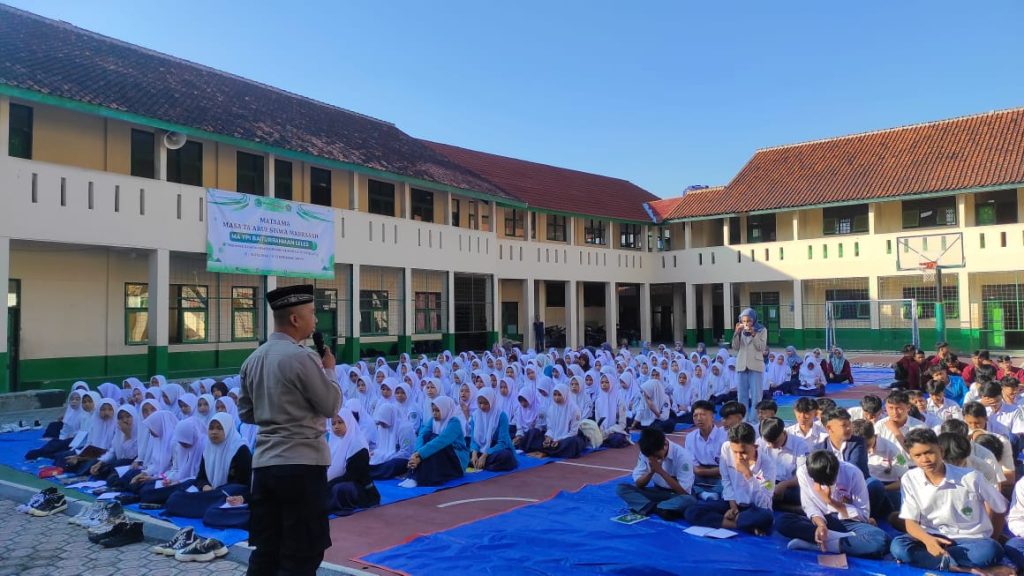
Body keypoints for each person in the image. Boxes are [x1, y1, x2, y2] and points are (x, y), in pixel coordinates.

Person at [237, 284, 342, 576]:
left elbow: (246, 413)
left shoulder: (252, 360)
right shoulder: (302, 358)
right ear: (295, 319)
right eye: (311, 313)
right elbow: (330, 405)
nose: (316, 320)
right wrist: (330, 370)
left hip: (265, 467)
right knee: (301, 553)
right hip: (301, 467)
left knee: (267, 549)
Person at [890, 428, 1008, 573]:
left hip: (970, 540)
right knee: (898, 546)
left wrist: (994, 538)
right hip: (933, 536)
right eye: (918, 455)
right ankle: (962, 568)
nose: (925, 459)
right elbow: (910, 522)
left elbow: (1000, 508)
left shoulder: (971, 477)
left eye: (929, 452)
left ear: (941, 451)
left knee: (990, 550)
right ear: (911, 457)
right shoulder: (910, 478)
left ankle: (940, 562)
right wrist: (928, 541)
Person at [777, 450, 889, 558]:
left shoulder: (853, 473)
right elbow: (809, 506)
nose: (828, 486)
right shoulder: (804, 472)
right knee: (782, 521)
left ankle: (819, 545)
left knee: (880, 540)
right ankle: (839, 538)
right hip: (822, 520)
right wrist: (821, 525)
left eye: (831, 481)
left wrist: (831, 501)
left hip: (848, 522)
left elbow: (863, 515)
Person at [683, 422, 775, 536]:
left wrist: (748, 474)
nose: (738, 457)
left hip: (754, 508)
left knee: (766, 517)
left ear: (755, 446)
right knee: (691, 511)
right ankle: (739, 525)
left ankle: (737, 521)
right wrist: (733, 507)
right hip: (732, 503)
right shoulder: (726, 448)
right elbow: (726, 480)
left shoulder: (768, 466)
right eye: (735, 452)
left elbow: (764, 503)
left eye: (743, 452)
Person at [163, 413, 252, 522]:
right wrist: (205, 486)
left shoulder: (240, 449)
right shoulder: (208, 448)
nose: (214, 432)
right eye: (211, 428)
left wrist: (238, 497)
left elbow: (246, 484)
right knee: (175, 498)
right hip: (210, 493)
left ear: (228, 429)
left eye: (219, 428)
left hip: (228, 494)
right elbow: (200, 477)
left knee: (213, 514)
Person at [616, 427, 696, 520]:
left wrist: (661, 471)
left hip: (675, 495)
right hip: (657, 491)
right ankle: (660, 509)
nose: (654, 458)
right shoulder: (647, 452)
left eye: (657, 455)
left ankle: (647, 507)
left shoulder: (682, 456)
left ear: (665, 444)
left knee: (689, 500)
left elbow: (684, 492)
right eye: (650, 456)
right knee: (621, 488)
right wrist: (651, 472)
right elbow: (638, 483)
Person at [324, 407, 380, 517]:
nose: (336, 426)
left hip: (361, 489)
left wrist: (329, 484)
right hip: (338, 481)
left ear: (349, 422)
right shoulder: (333, 441)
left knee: (340, 489)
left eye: (340, 422)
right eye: (333, 423)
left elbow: (352, 476)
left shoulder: (358, 445)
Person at [405, 397, 469, 488]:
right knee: (427, 438)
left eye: (438, 410)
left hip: (457, 459)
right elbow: (421, 435)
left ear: (445, 409)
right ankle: (416, 474)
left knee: (437, 443)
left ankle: (421, 476)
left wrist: (420, 455)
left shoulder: (454, 422)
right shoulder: (433, 420)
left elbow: (441, 441)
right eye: (433, 410)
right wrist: (416, 454)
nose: (435, 413)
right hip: (439, 453)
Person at [758, 417, 808, 508]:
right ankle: (784, 506)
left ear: (784, 433)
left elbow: (802, 475)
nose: (770, 446)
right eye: (768, 442)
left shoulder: (800, 444)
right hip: (767, 483)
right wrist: (771, 487)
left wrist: (784, 485)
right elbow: (756, 471)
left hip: (790, 485)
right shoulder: (760, 442)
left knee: (805, 495)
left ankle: (772, 504)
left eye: (775, 442)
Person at [685, 400, 727, 499]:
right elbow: (694, 467)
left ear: (712, 416)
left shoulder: (725, 436)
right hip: (699, 475)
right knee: (682, 478)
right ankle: (706, 495)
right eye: (695, 415)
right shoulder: (690, 437)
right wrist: (699, 472)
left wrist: (701, 471)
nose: (699, 419)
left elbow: (726, 468)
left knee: (732, 481)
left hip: (721, 476)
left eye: (703, 414)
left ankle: (704, 494)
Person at [731, 308, 767, 424]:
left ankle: (754, 420)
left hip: (755, 365)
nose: (746, 323)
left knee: (756, 395)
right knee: (742, 395)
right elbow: (735, 347)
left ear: (754, 320)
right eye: (744, 321)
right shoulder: (740, 331)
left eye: (749, 321)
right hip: (742, 365)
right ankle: (743, 420)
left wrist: (753, 334)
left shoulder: (761, 330)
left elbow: (761, 347)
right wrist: (736, 333)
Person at [468, 388, 517, 471]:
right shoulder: (475, 416)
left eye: (486, 403)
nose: (482, 406)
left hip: (496, 449)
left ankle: (481, 463)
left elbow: (502, 442)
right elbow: (474, 440)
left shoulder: (501, 416)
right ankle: (481, 463)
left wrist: (485, 454)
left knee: (506, 456)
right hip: (480, 449)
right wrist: (474, 453)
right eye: (480, 403)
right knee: (462, 450)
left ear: (492, 402)